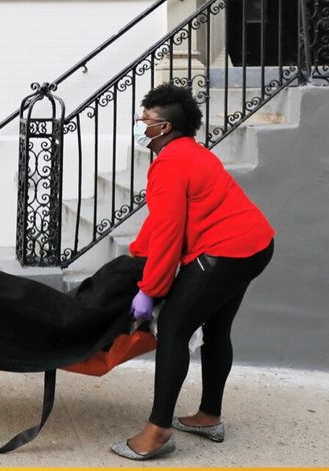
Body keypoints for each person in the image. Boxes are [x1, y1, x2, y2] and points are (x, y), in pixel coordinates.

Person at [110, 83, 275, 460]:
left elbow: (170, 234)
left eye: (145, 119)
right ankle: (208, 416)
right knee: (217, 330)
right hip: (256, 244)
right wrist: (139, 254)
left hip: (225, 252)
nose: (140, 124)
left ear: (163, 128)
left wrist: (150, 289)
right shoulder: (191, 152)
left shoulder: (169, 163)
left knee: (173, 328)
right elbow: (166, 218)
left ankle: (157, 431)